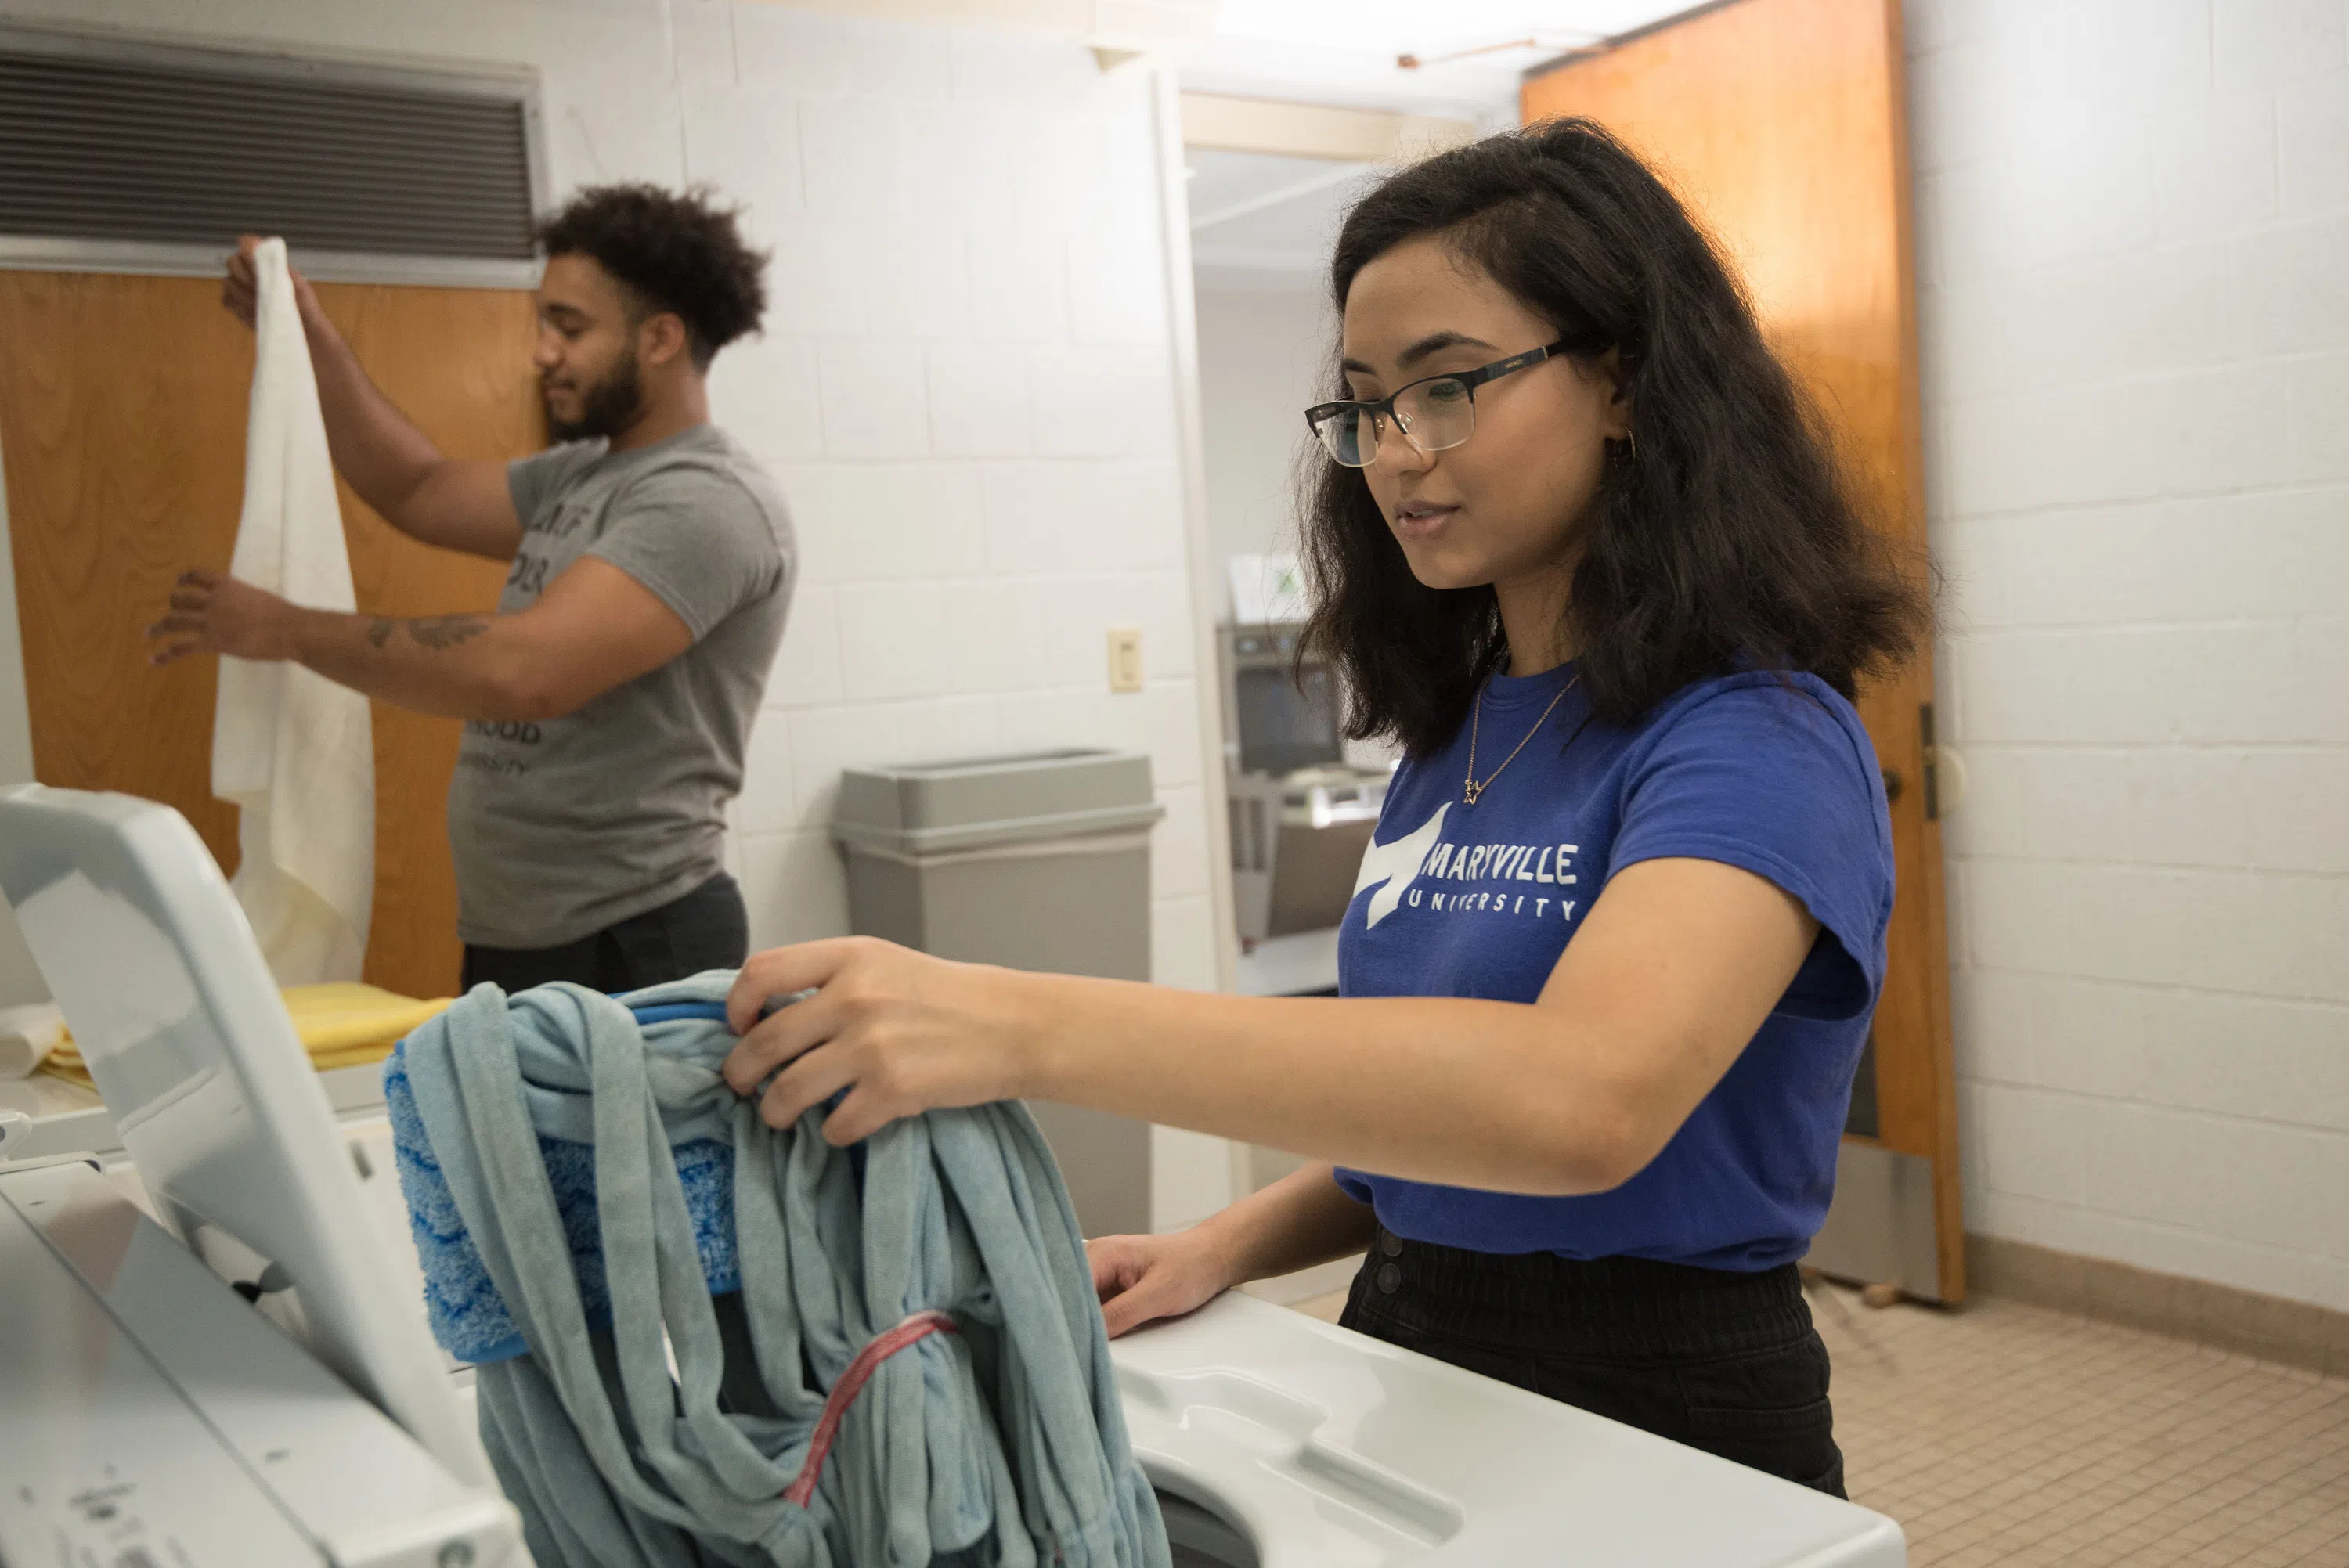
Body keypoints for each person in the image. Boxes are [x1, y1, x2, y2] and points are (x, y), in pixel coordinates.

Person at [713, 119, 1921, 1497]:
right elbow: (1429, 1124)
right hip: (1410, 1346)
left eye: (1450, 386)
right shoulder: (1463, 738)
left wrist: (1006, 1023)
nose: (1397, 450)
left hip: (1657, 1399)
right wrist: (1221, 1242)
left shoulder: (1755, 735)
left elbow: (1581, 1100)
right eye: (1365, 405)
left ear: (1627, 384)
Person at [151, 184, 794, 994]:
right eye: (544, 323)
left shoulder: (707, 500)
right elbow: (417, 487)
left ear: (661, 337)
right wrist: (305, 335)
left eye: (570, 327)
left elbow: (523, 672)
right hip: (522, 932)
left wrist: (285, 630)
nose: (542, 353)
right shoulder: (583, 475)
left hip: (633, 939)